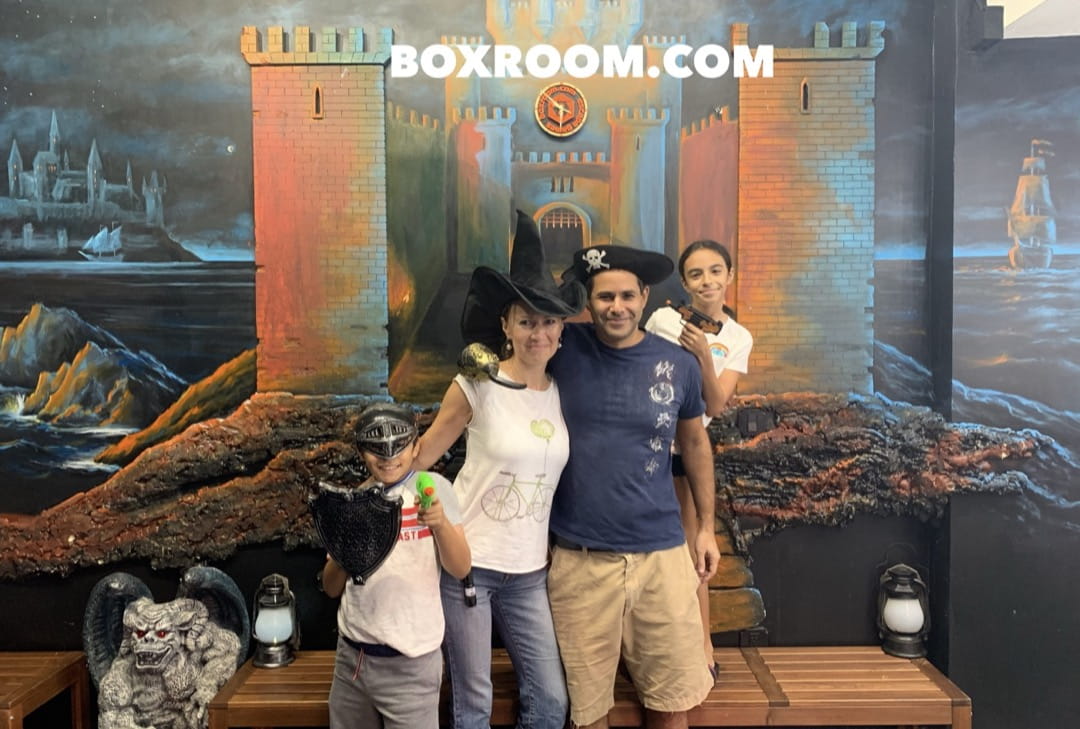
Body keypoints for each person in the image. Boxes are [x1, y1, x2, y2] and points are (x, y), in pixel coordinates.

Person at [415, 210, 584, 729]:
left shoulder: (561, 393)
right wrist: (372, 501)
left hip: (530, 573)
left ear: (561, 329)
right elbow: (422, 456)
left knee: (550, 702)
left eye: (549, 321)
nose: (539, 332)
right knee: (474, 705)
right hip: (470, 566)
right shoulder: (476, 386)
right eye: (527, 320)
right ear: (506, 325)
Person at [547, 245, 720, 729]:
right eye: (605, 297)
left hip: (662, 556)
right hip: (581, 561)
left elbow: (695, 444)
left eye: (627, 296)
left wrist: (706, 528)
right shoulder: (561, 348)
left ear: (644, 297)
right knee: (587, 713)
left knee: (671, 704)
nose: (616, 307)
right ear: (588, 302)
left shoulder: (678, 364)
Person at [322, 403, 471, 729]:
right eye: (376, 449)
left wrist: (440, 524)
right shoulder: (354, 501)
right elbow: (330, 587)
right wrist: (347, 549)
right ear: (361, 452)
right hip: (353, 661)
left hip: (412, 665)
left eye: (399, 446)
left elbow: (461, 567)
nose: (388, 456)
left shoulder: (434, 490)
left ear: (416, 446)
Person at [644, 239, 754, 676]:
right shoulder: (662, 320)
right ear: (685, 282)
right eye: (696, 273)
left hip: (688, 452)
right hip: (646, 446)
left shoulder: (738, 337)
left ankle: (702, 647)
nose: (706, 281)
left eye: (715, 271)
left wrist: (704, 356)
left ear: (729, 275)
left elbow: (715, 404)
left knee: (693, 548)